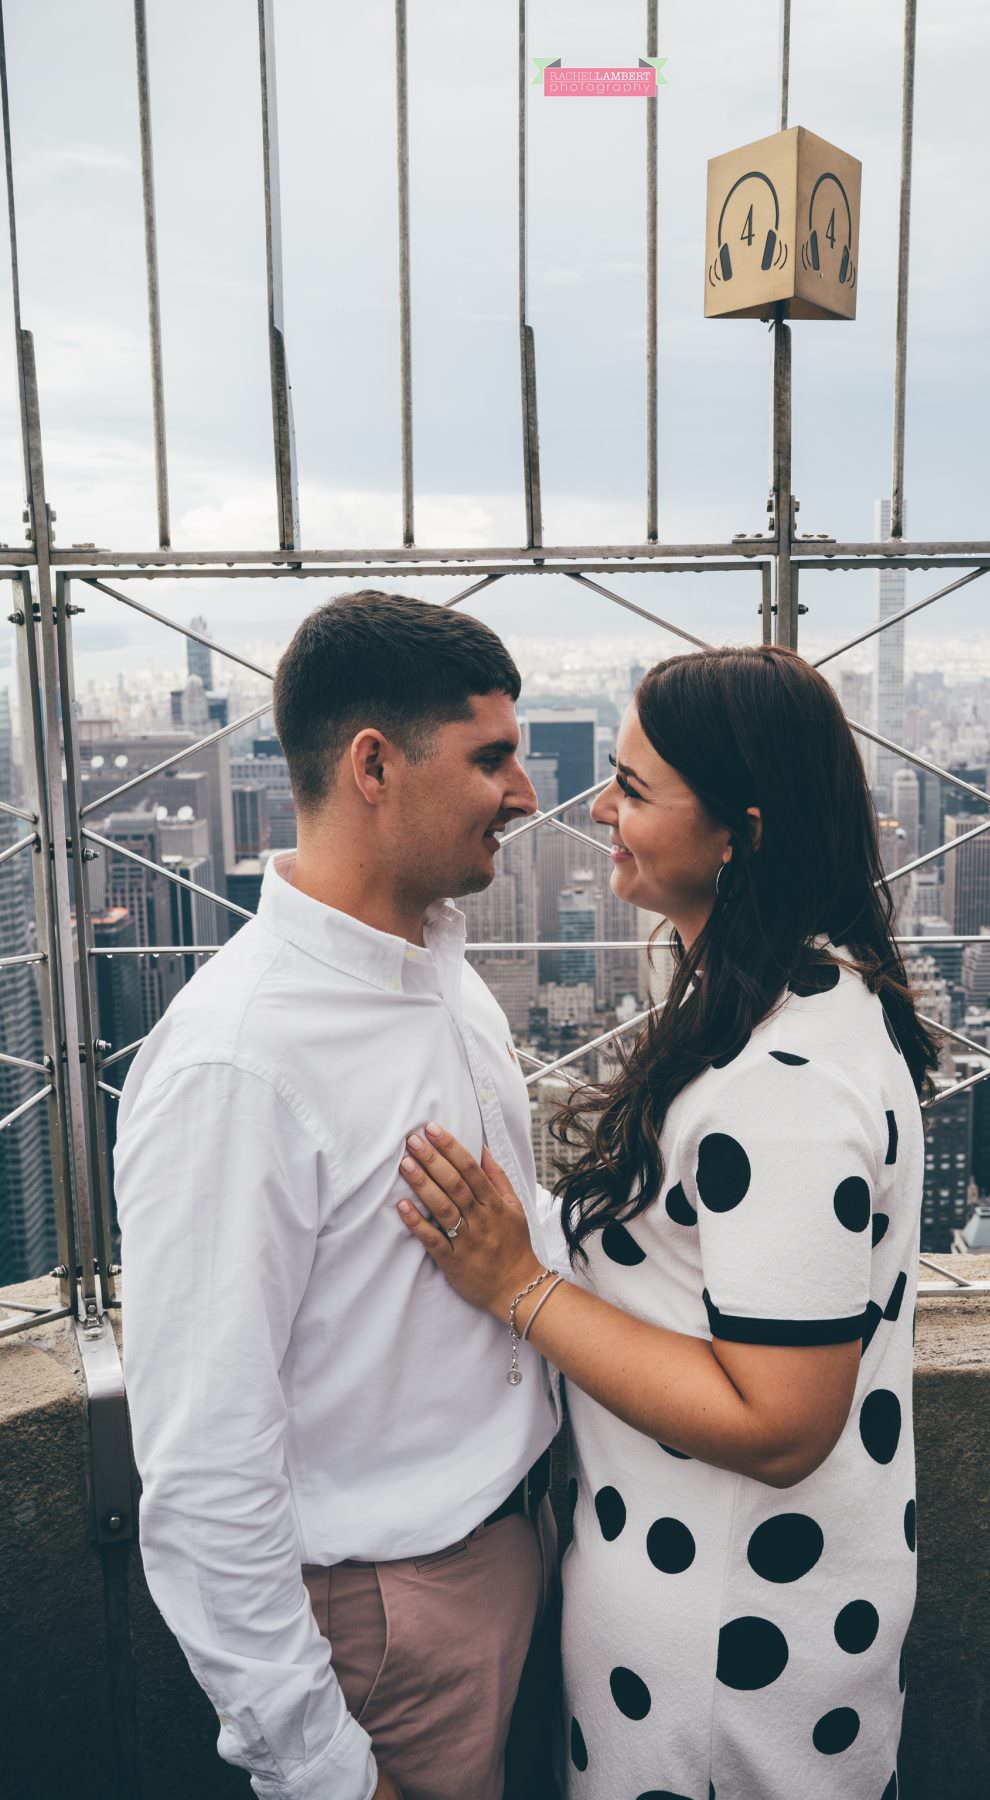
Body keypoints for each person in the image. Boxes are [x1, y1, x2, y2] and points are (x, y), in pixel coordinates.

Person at [395, 643, 937, 1799]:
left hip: (727, 1660)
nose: (600, 808)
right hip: (747, 1615)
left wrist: (517, 1286)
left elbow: (783, 1421)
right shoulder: (811, 998)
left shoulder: (782, 1082)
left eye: (636, 790)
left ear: (740, 830)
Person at [115, 591, 565, 1800]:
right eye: (492, 758)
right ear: (374, 764)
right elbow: (206, 1468)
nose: (526, 795)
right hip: (391, 1628)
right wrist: (320, 1768)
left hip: (516, 1552)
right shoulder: (237, 1062)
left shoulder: (442, 975)